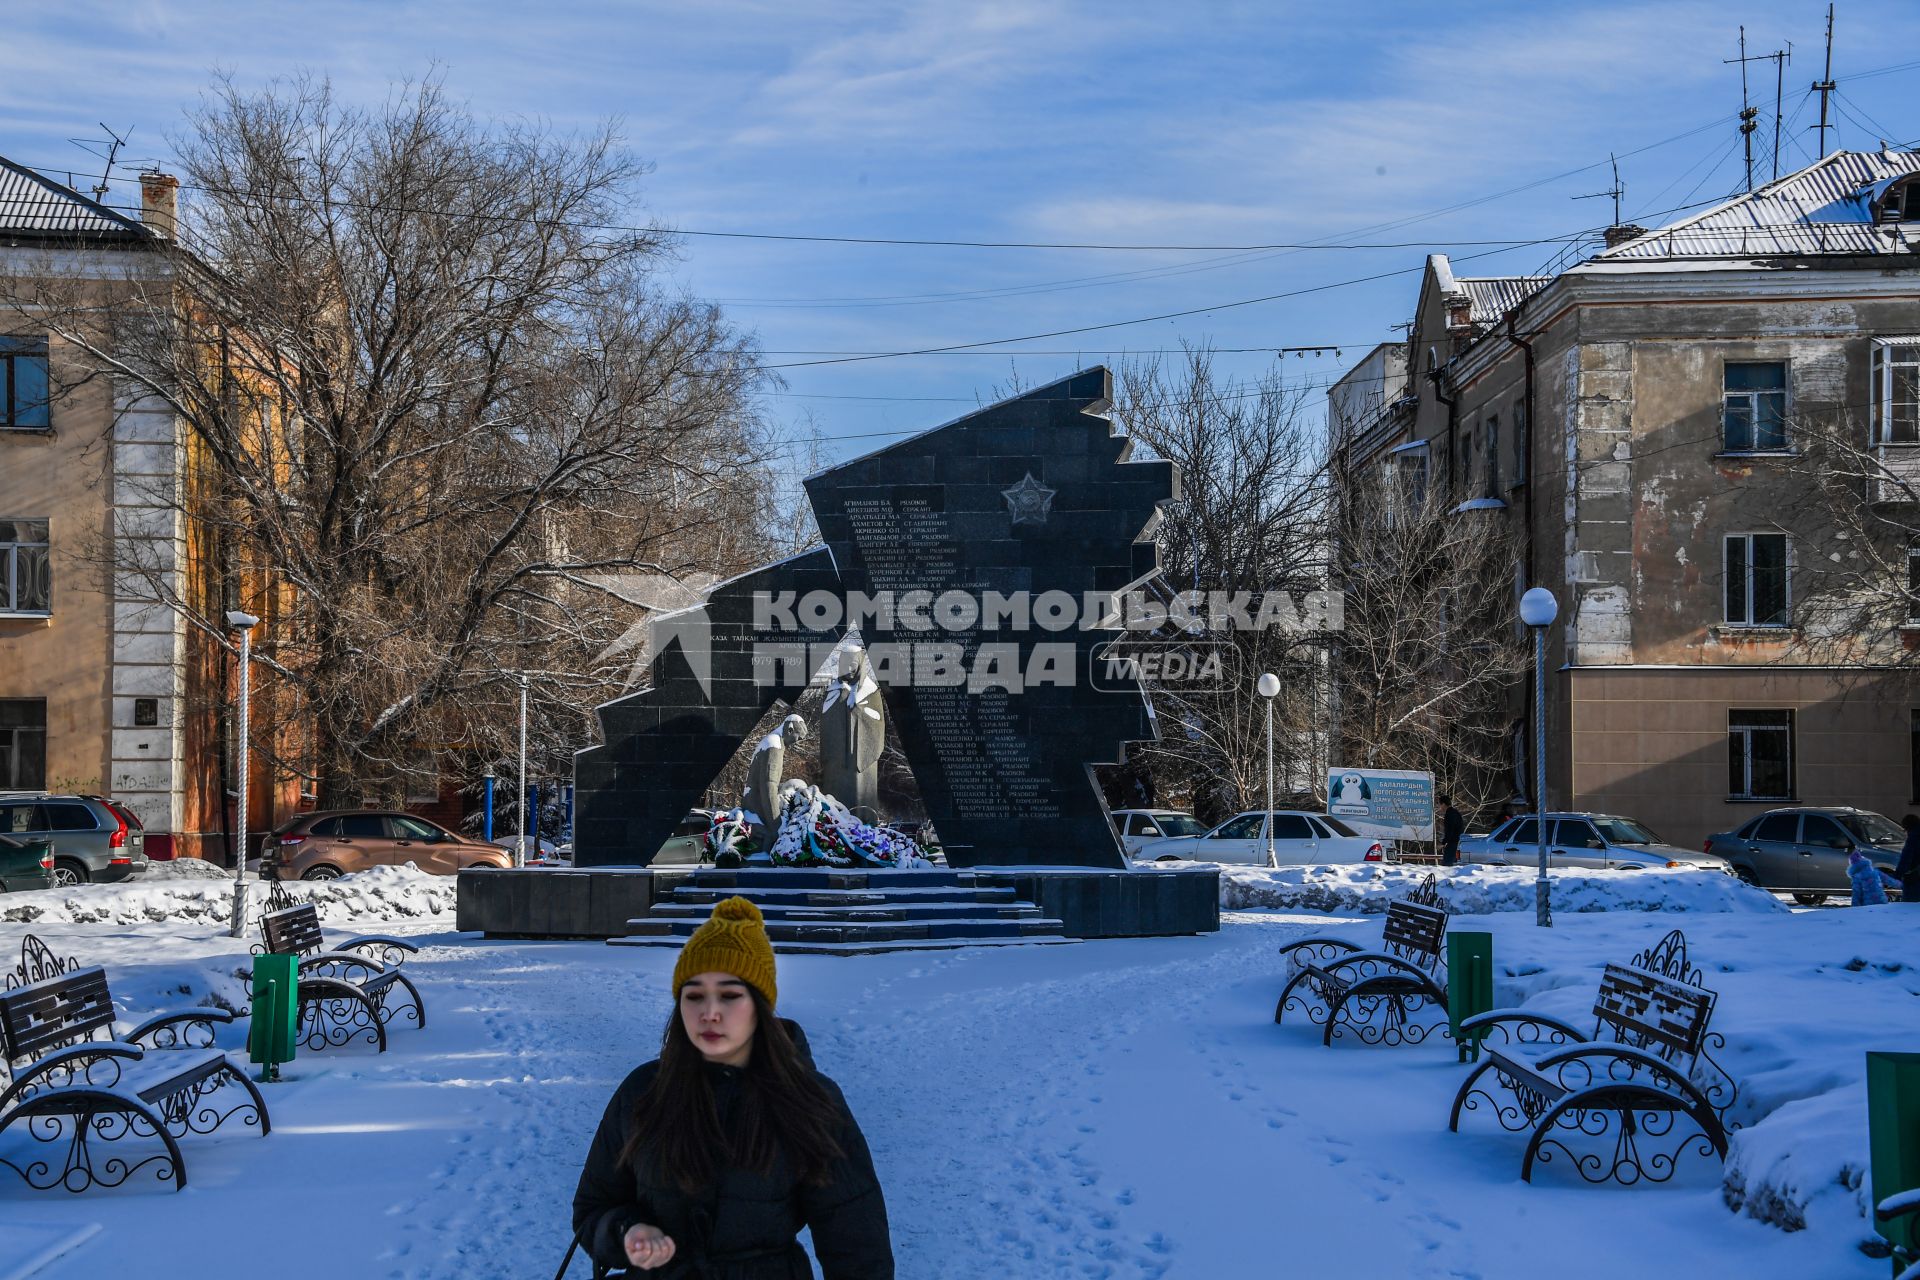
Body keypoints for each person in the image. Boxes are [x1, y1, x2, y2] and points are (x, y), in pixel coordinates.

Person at [573, 897, 894, 1277]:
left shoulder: (809, 1099)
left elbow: (856, 1245)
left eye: (730, 995)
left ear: (761, 1005)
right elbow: (594, 1207)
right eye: (694, 995)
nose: (710, 1012)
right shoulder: (643, 1091)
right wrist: (626, 1232)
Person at [1897, 814, 1920, 904]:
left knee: (1909, 905)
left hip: (1914, 879)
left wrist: (1897, 876)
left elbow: (1905, 861)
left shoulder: (1912, 839)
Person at [1437, 795, 1465, 867]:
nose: (1439, 807)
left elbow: (1450, 830)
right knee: (1454, 865)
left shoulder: (1449, 814)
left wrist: (1443, 843)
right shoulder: (1456, 813)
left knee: (1447, 865)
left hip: (1453, 843)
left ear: (1443, 804)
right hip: (1459, 842)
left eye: (1439, 804)